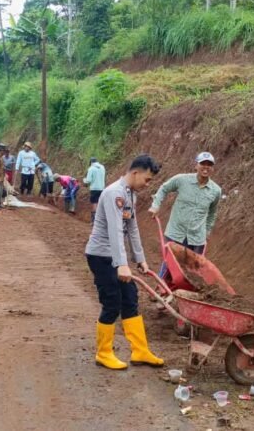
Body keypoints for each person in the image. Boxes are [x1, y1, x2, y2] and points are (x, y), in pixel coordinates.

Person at [85, 154, 164, 370]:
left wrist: (140, 259)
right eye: (147, 180)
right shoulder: (113, 194)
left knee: (130, 298)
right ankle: (103, 353)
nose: (147, 185)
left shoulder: (130, 195)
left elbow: (132, 227)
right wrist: (122, 263)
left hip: (115, 256)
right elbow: (115, 231)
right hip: (101, 256)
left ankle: (140, 351)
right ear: (135, 172)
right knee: (112, 302)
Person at [149, 151, 221, 275]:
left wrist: (207, 232)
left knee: (192, 272)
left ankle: (186, 293)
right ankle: (162, 289)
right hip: (175, 233)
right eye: (203, 163)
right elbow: (164, 188)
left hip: (196, 238)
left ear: (212, 168)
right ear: (196, 166)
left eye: (209, 164)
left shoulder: (216, 191)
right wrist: (155, 206)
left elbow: (212, 213)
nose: (206, 167)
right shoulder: (181, 180)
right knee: (169, 265)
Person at [84, 157, 107, 223]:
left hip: (94, 188)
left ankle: (94, 221)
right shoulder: (102, 167)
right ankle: (101, 220)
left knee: (94, 203)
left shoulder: (91, 169)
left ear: (91, 162)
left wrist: (84, 180)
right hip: (102, 188)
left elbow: (88, 181)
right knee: (100, 203)